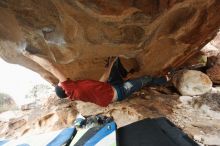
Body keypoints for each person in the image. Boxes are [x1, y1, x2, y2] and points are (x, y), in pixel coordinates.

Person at [22, 49, 168, 107]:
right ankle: (165, 79)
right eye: (60, 83)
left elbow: (100, 82)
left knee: (115, 65)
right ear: (64, 88)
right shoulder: (70, 88)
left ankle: (125, 74)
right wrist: (30, 56)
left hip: (109, 87)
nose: (61, 81)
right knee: (145, 80)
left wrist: (109, 66)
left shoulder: (75, 92)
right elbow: (51, 68)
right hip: (118, 92)